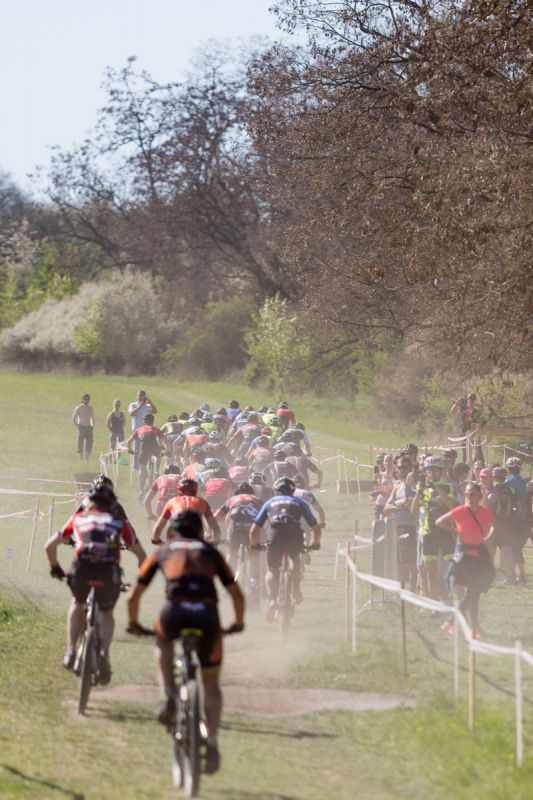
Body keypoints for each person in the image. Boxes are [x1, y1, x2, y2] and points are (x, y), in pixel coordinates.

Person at [127, 510, 244, 773]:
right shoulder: (210, 551)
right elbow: (235, 592)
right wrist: (238, 623)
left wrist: (134, 624)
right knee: (211, 682)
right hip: (208, 617)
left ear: (173, 531)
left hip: (175, 613)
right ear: (200, 531)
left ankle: (168, 693)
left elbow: (134, 595)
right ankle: (212, 742)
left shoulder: (165, 550)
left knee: (163, 640)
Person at [45, 483, 146, 681]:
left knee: (77, 603)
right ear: (111, 503)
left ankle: (70, 651)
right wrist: (139, 582)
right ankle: (105, 655)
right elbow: (142, 556)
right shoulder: (118, 521)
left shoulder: (79, 518)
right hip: (108, 571)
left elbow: (49, 546)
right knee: (107, 612)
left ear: (89, 502)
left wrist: (55, 568)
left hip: (82, 569)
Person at [250, 477, 321, 621]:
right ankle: (296, 591)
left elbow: (254, 529)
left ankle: (271, 600)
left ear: (276, 492)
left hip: (275, 535)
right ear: (293, 491)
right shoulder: (299, 502)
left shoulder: (270, 502)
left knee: (271, 570)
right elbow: (315, 526)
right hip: (294, 535)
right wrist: (315, 543)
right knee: (294, 559)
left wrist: (254, 545)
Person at [436, 482, 494, 638]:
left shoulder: (486, 512)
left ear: (479, 496)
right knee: (474, 588)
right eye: (467, 495)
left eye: (472, 494)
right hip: (464, 555)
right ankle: (453, 621)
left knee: (475, 592)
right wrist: (456, 531)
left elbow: (494, 525)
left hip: (479, 554)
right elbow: (439, 521)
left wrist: (487, 537)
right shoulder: (461, 510)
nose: (469, 497)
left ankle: (473, 627)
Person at [410, 455, 457, 602]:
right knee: (431, 572)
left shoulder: (447, 486)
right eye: (429, 470)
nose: (432, 473)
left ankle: (448, 599)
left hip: (445, 533)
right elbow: (414, 511)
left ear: (441, 471)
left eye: (435, 470)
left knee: (448, 570)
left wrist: (436, 488)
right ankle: (435, 603)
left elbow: (452, 506)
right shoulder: (422, 488)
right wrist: (420, 492)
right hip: (427, 533)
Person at [151, 477, 221, 545]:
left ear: (179, 490)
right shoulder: (203, 502)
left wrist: (155, 540)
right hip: (196, 538)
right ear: (195, 490)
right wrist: (214, 542)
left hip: (176, 538)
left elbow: (158, 527)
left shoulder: (172, 501)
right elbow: (216, 528)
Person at [384, 456, 418, 592]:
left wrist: (401, 504)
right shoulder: (397, 487)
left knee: (410, 563)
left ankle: (413, 592)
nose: (402, 470)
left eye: (405, 467)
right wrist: (401, 504)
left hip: (410, 527)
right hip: (396, 527)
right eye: (399, 467)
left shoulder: (414, 486)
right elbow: (386, 508)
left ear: (410, 469)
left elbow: (411, 503)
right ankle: (402, 592)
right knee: (399, 563)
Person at [215, 483, 263, 570]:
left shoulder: (232, 499)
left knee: (232, 553)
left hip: (234, 529)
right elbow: (266, 518)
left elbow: (215, 518)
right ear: (252, 493)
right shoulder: (257, 499)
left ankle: (228, 579)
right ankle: (254, 581)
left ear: (237, 493)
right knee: (254, 556)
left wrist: (210, 534)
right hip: (251, 530)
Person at [126, 413, 167, 498]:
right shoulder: (156, 429)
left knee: (142, 468)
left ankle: (141, 490)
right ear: (153, 421)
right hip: (154, 445)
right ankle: (157, 470)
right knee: (158, 455)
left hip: (144, 447)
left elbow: (129, 442)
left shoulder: (139, 429)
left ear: (144, 421)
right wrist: (168, 450)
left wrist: (130, 450)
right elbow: (165, 440)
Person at [504, 457, 530, 586]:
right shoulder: (523, 481)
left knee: (514, 548)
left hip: (515, 518)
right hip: (525, 517)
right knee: (516, 548)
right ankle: (520, 576)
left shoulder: (509, 481)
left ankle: (517, 576)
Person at [128, 390, 158, 470]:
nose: (141, 397)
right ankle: (136, 466)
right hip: (137, 430)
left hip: (146, 431)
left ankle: (147, 465)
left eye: (143, 395)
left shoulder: (147, 406)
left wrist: (150, 402)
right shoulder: (133, 404)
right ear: (137, 396)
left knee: (147, 449)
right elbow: (131, 414)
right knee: (137, 449)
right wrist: (140, 406)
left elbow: (155, 411)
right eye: (140, 395)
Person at [72, 393, 94, 461]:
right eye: (85, 399)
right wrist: (77, 425)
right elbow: (74, 417)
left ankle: (86, 459)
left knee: (89, 443)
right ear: (82, 400)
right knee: (80, 443)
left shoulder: (90, 408)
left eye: (87, 399)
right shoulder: (79, 407)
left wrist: (92, 425)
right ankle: (81, 459)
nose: (86, 400)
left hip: (89, 427)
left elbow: (92, 417)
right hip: (81, 427)